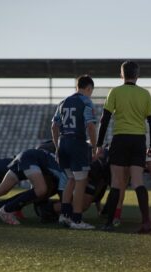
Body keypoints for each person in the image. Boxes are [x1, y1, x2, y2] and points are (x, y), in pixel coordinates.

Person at [96, 60, 151, 233]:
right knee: (138, 181)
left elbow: (105, 119)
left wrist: (99, 144)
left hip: (120, 139)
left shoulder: (115, 92)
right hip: (139, 140)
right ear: (138, 75)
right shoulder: (145, 94)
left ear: (121, 74)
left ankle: (109, 223)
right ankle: (146, 221)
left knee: (117, 182)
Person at [0, 149, 66, 224]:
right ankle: (6, 210)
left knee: (1, 189)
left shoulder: (64, 167)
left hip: (25, 156)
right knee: (41, 189)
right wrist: (66, 212)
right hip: (30, 158)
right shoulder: (66, 173)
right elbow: (62, 191)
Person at [52, 75, 97, 230]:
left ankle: (64, 215)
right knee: (80, 181)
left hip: (63, 143)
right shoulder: (86, 102)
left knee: (70, 179)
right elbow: (90, 126)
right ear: (89, 88)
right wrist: (95, 146)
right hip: (77, 143)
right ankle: (77, 220)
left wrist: (57, 147)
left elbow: (54, 126)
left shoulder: (62, 102)